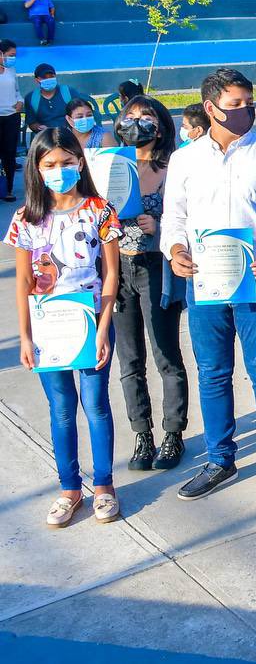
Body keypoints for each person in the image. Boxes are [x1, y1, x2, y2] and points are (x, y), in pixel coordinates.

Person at [162, 68, 256, 502]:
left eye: (249, 103)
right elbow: (173, 218)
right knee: (213, 374)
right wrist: (175, 250)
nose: (245, 111)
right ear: (210, 107)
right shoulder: (185, 159)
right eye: (234, 104)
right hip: (205, 283)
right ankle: (220, 459)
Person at [9, 128, 121, 527]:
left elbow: (111, 274)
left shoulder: (99, 210)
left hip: (90, 323)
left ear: (79, 163)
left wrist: (103, 328)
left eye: (67, 162)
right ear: (37, 169)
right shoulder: (26, 218)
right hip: (47, 330)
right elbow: (24, 282)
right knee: (61, 409)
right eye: (50, 164)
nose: (59, 171)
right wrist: (25, 337)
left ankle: (104, 486)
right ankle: (69, 488)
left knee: (95, 404)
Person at [113, 96, 189, 473]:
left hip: (157, 267)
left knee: (165, 354)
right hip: (118, 268)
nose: (137, 123)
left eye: (146, 117)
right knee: (129, 359)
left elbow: (186, 219)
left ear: (160, 126)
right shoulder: (111, 166)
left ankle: (173, 432)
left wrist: (157, 228)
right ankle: (142, 433)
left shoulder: (174, 168)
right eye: (130, 116)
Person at [26, 64, 89, 134]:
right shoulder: (31, 98)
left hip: (70, 132)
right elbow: (32, 123)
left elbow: (81, 113)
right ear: (37, 80)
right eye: (44, 77)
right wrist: (40, 128)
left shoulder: (69, 92)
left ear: (55, 76)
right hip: (46, 135)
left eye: (51, 76)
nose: (48, 79)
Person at [0, 41, 19, 203]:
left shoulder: (11, 70)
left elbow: (17, 91)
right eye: (10, 55)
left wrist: (20, 101)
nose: (12, 58)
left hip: (12, 117)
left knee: (10, 153)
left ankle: (8, 189)